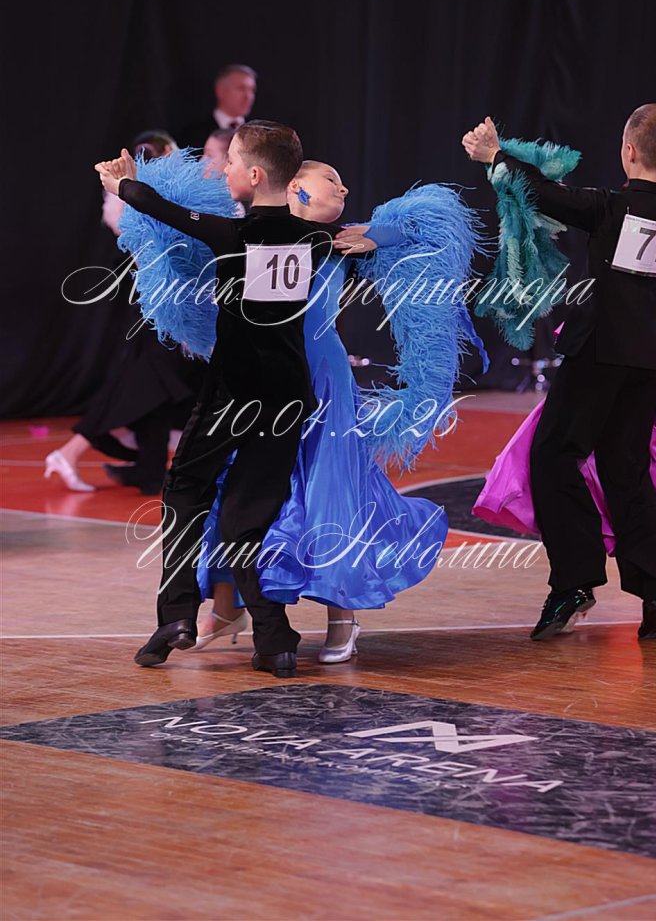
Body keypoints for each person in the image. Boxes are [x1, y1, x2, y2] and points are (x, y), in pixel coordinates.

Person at [96, 121, 366, 676]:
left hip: (234, 391)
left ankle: (176, 615)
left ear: (257, 175)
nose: (225, 170)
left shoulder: (234, 234)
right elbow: (366, 237)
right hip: (289, 395)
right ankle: (274, 638)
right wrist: (370, 238)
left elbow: (167, 211)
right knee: (247, 517)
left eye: (234, 163)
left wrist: (122, 184)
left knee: (185, 488)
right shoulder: (315, 241)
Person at [194, 160, 452, 663]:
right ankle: (226, 605)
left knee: (330, 485)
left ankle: (343, 613)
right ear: (295, 186)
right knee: (235, 479)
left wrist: (376, 237)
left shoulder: (339, 240)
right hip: (263, 374)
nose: (345, 186)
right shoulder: (259, 233)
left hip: (323, 377)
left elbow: (423, 229)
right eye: (331, 179)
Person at [462, 106, 656, 641]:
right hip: (647, 357)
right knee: (627, 471)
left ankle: (575, 582)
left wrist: (495, 155)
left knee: (553, 455)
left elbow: (544, 194)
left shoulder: (612, 206)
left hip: (598, 352)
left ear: (629, 152)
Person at [45, 129, 202, 495]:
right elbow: (142, 244)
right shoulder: (133, 197)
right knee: (146, 380)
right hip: (156, 299)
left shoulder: (164, 193)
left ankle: (149, 469)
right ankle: (76, 450)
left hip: (171, 300)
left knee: (155, 385)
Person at [180, 64, 257, 149]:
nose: (248, 96)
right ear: (220, 91)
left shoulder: (257, 133)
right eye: (241, 88)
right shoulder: (193, 135)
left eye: (252, 90)